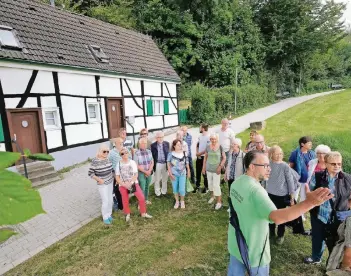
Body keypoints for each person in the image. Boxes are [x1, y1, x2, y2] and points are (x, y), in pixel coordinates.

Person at [227, 150, 334, 276]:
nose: (269, 169)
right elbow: (277, 217)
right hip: (254, 251)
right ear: (251, 166)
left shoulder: (237, 182)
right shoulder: (257, 192)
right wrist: (310, 203)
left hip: (236, 243)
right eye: (265, 166)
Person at [304, 152, 351, 265]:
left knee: (335, 243)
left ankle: (331, 265)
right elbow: (310, 193)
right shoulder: (317, 176)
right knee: (317, 238)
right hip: (318, 215)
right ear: (325, 163)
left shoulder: (348, 179)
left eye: (339, 164)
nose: (337, 166)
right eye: (333, 164)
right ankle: (316, 258)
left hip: (338, 218)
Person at [266, 145, 296, 245]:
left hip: (281, 196)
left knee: (281, 217)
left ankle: (280, 235)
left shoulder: (285, 166)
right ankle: (271, 234)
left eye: (281, 154)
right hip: (269, 194)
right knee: (270, 215)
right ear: (271, 154)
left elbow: (290, 181)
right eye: (276, 153)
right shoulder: (268, 164)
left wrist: (292, 196)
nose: (279, 155)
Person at [115, 147, 153, 222]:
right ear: (120, 155)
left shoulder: (132, 162)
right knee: (125, 200)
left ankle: (143, 213)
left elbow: (136, 174)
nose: (124, 154)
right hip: (123, 185)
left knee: (141, 198)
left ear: (128, 153)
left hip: (133, 183)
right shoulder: (118, 164)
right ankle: (127, 214)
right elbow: (117, 177)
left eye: (126, 152)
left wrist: (131, 183)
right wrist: (124, 184)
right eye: (122, 153)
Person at [88, 144, 114, 225]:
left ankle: (109, 214)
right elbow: (90, 173)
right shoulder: (95, 161)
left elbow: (111, 169)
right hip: (102, 184)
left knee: (111, 200)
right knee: (105, 200)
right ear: (99, 152)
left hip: (110, 182)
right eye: (104, 151)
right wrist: (99, 179)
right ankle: (105, 216)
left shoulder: (108, 159)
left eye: (107, 151)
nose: (106, 153)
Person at [289, 136, 316, 203]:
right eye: (309, 143)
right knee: (294, 196)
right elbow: (290, 166)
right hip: (297, 179)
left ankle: (301, 212)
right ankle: (293, 210)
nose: (311, 145)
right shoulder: (295, 153)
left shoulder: (312, 154)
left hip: (307, 180)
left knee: (303, 198)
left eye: (311, 143)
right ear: (302, 144)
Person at [202, 133, 226, 210]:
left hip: (216, 170)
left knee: (216, 185)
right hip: (209, 168)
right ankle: (213, 196)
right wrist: (203, 168)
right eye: (211, 139)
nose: (213, 140)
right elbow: (205, 158)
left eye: (214, 139)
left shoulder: (220, 147)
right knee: (210, 184)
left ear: (217, 139)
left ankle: (219, 202)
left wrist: (220, 166)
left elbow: (224, 158)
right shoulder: (208, 147)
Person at [109, 137, 131, 211]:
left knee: (126, 189)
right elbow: (109, 164)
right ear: (115, 144)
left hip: (126, 174)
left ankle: (126, 202)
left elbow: (130, 159)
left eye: (122, 143)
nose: (121, 144)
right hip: (116, 175)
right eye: (120, 143)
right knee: (117, 191)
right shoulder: (111, 153)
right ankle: (120, 205)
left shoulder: (125, 150)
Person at [167, 139, 191, 209]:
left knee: (182, 189)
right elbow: (168, 164)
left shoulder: (184, 153)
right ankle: (177, 201)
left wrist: (188, 171)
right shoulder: (170, 154)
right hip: (174, 174)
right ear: (174, 146)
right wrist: (170, 174)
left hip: (182, 173)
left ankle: (182, 201)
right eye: (178, 145)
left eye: (180, 145)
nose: (179, 146)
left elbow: (187, 163)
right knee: (175, 188)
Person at [134, 137, 154, 205]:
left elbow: (152, 162)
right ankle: (140, 202)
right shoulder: (136, 153)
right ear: (139, 144)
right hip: (141, 173)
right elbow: (136, 165)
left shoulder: (149, 151)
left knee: (147, 186)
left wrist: (149, 171)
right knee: (142, 187)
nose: (144, 144)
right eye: (142, 143)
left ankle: (146, 199)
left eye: (145, 143)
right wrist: (145, 172)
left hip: (149, 172)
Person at [150, 131, 170, 197]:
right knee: (157, 179)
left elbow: (169, 154)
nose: (160, 138)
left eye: (162, 137)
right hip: (157, 163)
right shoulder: (153, 145)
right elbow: (152, 156)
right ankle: (157, 192)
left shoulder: (167, 143)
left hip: (165, 163)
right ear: (156, 138)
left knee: (165, 178)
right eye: (159, 137)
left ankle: (164, 191)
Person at [217, 118, 235, 184]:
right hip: (218, 151)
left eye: (226, 123)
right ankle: (220, 179)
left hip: (227, 151)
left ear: (228, 124)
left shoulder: (230, 131)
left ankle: (226, 178)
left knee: (227, 165)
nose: (225, 124)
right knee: (219, 165)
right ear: (221, 123)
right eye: (223, 123)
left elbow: (233, 142)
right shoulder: (218, 131)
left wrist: (231, 151)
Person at [194, 123, 210, 193]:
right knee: (198, 172)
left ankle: (206, 187)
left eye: (200, 127)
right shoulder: (200, 136)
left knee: (204, 173)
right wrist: (197, 153)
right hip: (199, 157)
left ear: (203, 128)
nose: (199, 129)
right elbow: (197, 145)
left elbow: (207, 149)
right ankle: (197, 186)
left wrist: (199, 154)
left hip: (205, 158)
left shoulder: (208, 137)